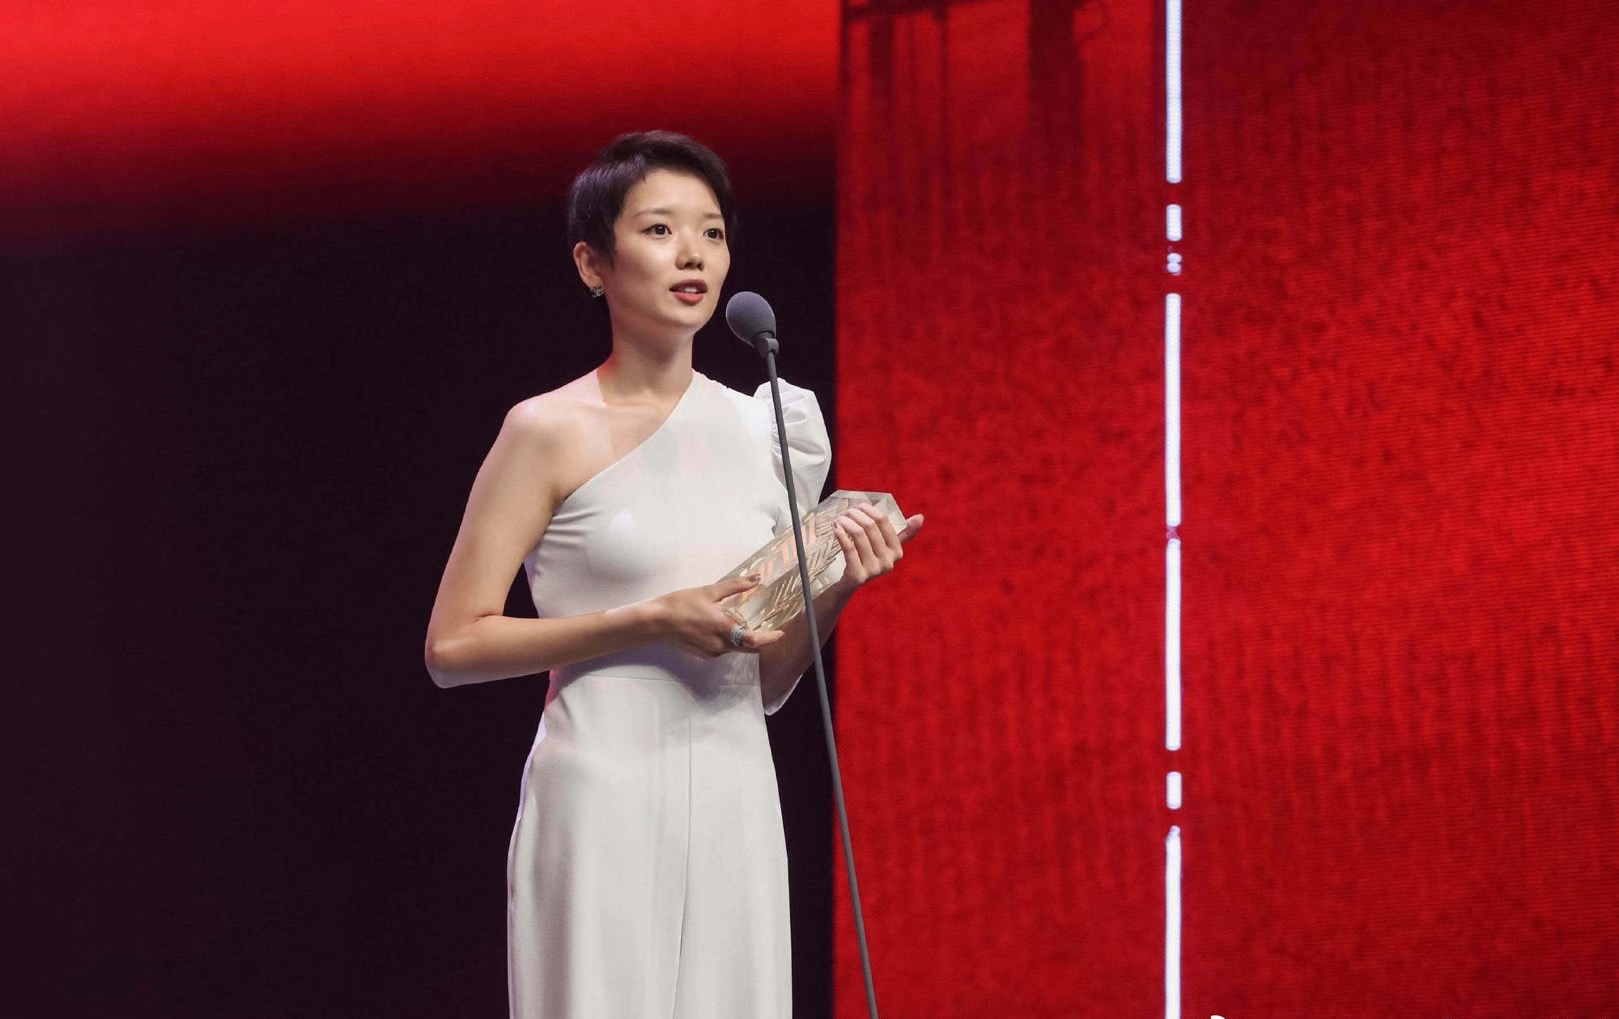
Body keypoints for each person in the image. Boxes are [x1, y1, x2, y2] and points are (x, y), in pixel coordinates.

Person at [423, 131, 923, 1019]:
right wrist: (647, 619)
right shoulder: (545, 429)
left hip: (735, 781)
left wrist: (839, 583)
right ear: (593, 263)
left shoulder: (765, 430)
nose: (692, 253)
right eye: (659, 229)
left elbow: (767, 677)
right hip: (602, 784)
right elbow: (453, 646)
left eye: (711, 232)